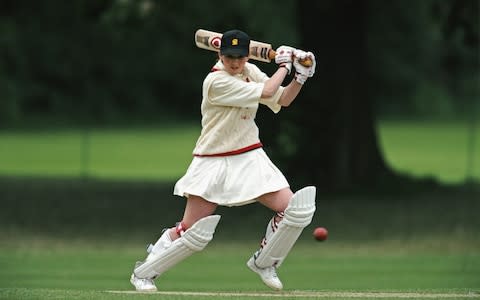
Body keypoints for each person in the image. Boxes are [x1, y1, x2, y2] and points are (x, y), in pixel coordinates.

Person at [130, 29, 317, 292]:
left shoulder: (249, 71)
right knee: (192, 232)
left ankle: (265, 262)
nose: (235, 62)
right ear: (220, 53)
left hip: (249, 154)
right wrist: (285, 64)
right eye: (230, 56)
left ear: (246, 56)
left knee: (295, 209)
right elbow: (268, 90)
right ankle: (144, 272)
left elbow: (282, 99)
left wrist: (300, 76)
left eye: (240, 57)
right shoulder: (215, 82)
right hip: (213, 159)